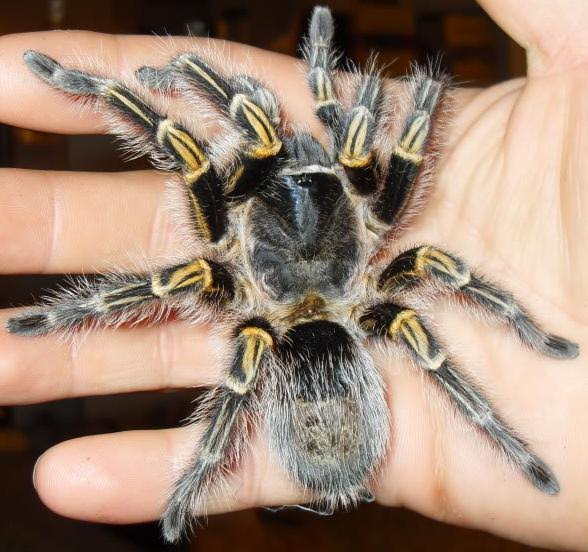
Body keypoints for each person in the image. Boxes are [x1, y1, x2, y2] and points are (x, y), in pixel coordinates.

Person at [0, 0, 585, 548]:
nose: (297, 150)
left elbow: (185, 147)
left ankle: (199, 471)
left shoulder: (234, 245)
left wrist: (423, 103)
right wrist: (421, 103)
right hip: (336, 309)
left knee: (189, 172)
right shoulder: (373, 225)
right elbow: (403, 123)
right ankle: (505, 437)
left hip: (295, 317)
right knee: (426, 279)